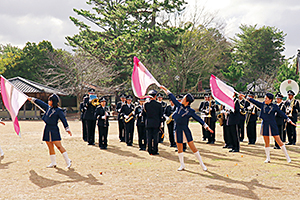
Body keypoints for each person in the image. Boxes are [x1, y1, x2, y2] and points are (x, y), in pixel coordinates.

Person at [160, 86, 213, 171]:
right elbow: (172, 97)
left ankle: (202, 164)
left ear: (187, 101)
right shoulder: (179, 105)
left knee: (192, 147)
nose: (182, 99)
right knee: (179, 147)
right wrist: (165, 89)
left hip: (185, 129)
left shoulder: (190, 111)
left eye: (184, 98)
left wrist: (206, 126)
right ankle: (182, 165)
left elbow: (198, 118)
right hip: (177, 129)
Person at [240, 92, 295, 163]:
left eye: (266, 99)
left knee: (278, 140)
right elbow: (254, 101)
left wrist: (288, 120)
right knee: (266, 141)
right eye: (265, 98)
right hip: (265, 124)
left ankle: (287, 157)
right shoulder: (262, 105)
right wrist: (245, 97)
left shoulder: (274, 106)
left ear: (270, 100)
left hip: (272, 124)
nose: (265, 100)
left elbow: (282, 113)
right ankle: (268, 158)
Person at [28, 94, 72, 168]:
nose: (48, 102)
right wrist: (32, 99)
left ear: (53, 101)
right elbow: (41, 103)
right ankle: (53, 162)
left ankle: (68, 161)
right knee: (50, 146)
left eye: (50, 100)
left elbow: (63, 120)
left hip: (54, 129)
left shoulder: (59, 110)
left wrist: (67, 128)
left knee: (58, 146)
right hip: (47, 128)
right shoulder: (48, 108)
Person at [144, 90, 163, 155]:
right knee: (155, 137)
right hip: (156, 123)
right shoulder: (159, 105)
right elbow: (161, 115)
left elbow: (144, 114)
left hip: (149, 122)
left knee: (149, 137)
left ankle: (149, 150)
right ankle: (155, 150)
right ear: (155, 96)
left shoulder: (146, 104)